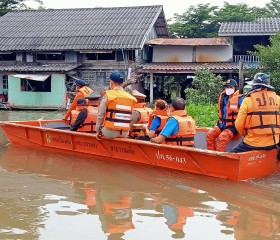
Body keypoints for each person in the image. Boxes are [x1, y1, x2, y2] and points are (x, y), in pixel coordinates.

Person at [230, 73, 280, 153]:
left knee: (231, 155)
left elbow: (238, 124)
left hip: (253, 143)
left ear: (254, 85)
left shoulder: (248, 100)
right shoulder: (276, 98)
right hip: (274, 142)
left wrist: (246, 135)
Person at [96, 71, 137, 139]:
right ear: (123, 83)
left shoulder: (108, 95)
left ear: (111, 83)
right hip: (125, 133)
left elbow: (100, 114)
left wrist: (97, 130)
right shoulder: (131, 98)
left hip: (110, 132)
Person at [206, 79, 243, 152]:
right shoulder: (223, 97)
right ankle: (211, 154)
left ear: (235, 88)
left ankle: (219, 158)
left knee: (222, 137)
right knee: (210, 134)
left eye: (230, 87)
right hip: (222, 124)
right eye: (227, 87)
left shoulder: (240, 99)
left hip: (234, 126)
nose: (228, 89)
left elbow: (246, 112)